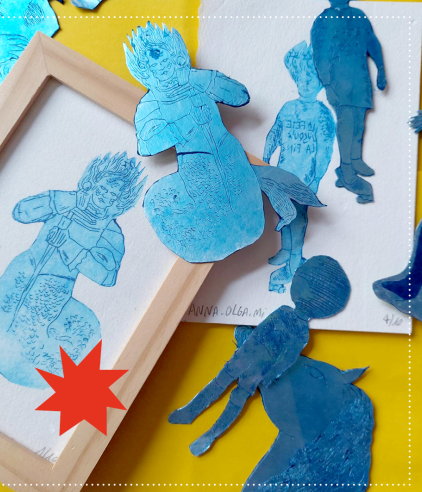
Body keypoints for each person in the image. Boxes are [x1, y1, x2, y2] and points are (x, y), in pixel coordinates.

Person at [0, 153, 146, 388]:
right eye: (102, 189)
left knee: (25, 337)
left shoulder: (110, 233)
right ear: (92, 182)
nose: (104, 197)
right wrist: (60, 200)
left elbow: (108, 276)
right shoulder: (65, 203)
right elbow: (20, 212)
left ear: (120, 202)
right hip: (20, 271)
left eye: (112, 196)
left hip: (54, 288)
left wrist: (70, 247)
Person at [124, 22, 323, 263]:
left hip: (229, 153)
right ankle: (211, 245)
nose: (162, 69)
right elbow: (146, 145)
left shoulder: (197, 80)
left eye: (165, 61)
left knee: (242, 206)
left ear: (175, 56)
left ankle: (252, 229)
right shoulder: (150, 104)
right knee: (207, 210)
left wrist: (200, 78)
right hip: (195, 166)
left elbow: (239, 95)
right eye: (153, 66)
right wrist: (178, 127)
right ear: (144, 70)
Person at [168, 256, 351, 457]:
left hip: (258, 367)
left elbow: (287, 359)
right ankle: (190, 413)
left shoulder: (300, 331)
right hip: (246, 355)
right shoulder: (287, 316)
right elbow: (263, 334)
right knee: (222, 385)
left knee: (234, 394)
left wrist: (270, 374)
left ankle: (209, 435)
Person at [264, 41, 335, 293]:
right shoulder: (288, 108)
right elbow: (275, 132)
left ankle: (296, 257)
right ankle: (285, 249)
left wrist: (316, 178)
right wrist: (266, 156)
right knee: (283, 212)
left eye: (311, 79)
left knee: (299, 217)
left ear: (321, 83)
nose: (305, 83)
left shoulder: (322, 114)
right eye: (302, 78)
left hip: (304, 180)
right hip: (282, 174)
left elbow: (325, 150)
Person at [311, 0, 387, 204]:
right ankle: (346, 169)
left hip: (360, 79)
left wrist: (381, 69)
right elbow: (319, 54)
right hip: (338, 82)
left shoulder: (359, 15)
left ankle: (355, 159)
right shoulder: (323, 20)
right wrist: (327, 83)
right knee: (346, 123)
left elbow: (372, 42)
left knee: (360, 121)